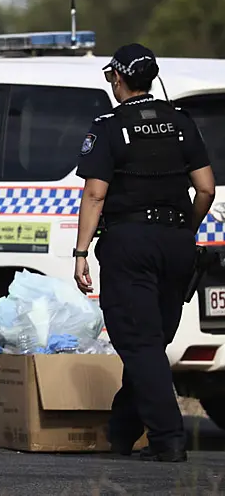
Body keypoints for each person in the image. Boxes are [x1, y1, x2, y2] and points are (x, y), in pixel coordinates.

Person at [73, 43, 216, 462]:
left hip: (130, 242)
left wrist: (81, 251)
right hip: (177, 242)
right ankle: (122, 430)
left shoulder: (108, 126)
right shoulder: (181, 122)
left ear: (118, 78)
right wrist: (186, 231)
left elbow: (95, 195)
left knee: (139, 343)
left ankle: (169, 439)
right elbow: (205, 188)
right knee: (151, 342)